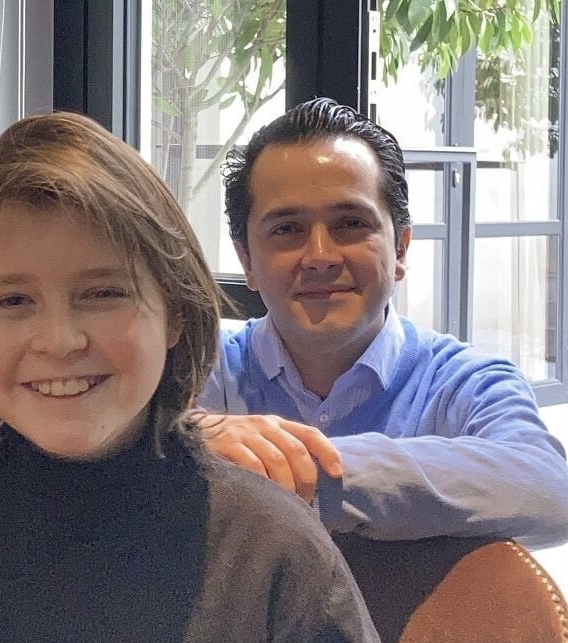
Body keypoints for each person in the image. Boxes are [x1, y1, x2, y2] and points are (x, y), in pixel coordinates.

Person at [0, 112, 380, 643]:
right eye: (13, 300)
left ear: (175, 313)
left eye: (104, 294)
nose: (60, 340)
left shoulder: (274, 551)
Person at [199, 97, 568, 548]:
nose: (319, 257)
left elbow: (549, 488)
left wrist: (307, 468)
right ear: (247, 261)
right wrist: (191, 439)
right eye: (287, 229)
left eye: (351, 223)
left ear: (400, 250)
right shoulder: (201, 368)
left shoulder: (464, 383)